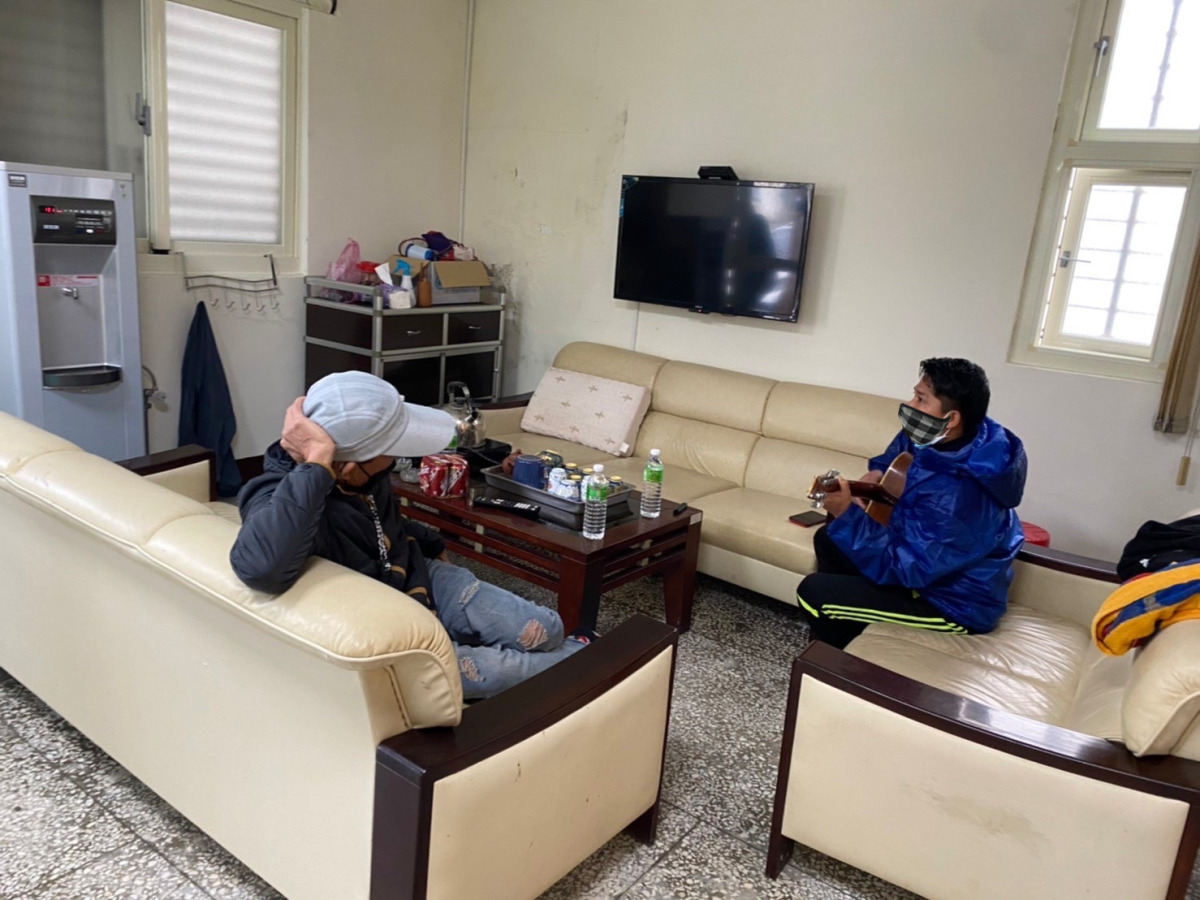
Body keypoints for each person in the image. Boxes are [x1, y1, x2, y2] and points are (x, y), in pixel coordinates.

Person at [230, 371, 587, 699]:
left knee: (547, 629)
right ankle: (591, 664)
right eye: (390, 450)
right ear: (347, 466)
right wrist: (317, 464)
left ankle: (575, 658)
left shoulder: (364, 476)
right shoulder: (274, 495)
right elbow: (260, 569)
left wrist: (431, 542)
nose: (397, 458)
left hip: (418, 574)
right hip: (385, 625)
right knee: (522, 667)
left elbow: (379, 525)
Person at [796, 358, 1027, 650]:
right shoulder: (944, 435)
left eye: (921, 399)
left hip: (949, 602)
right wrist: (877, 473)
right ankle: (852, 622)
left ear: (952, 418)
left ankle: (841, 662)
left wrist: (846, 514)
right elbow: (899, 455)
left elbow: (908, 569)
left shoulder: (958, 496)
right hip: (922, 566)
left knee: (813, 593)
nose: (910, 404)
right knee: (829, 538)